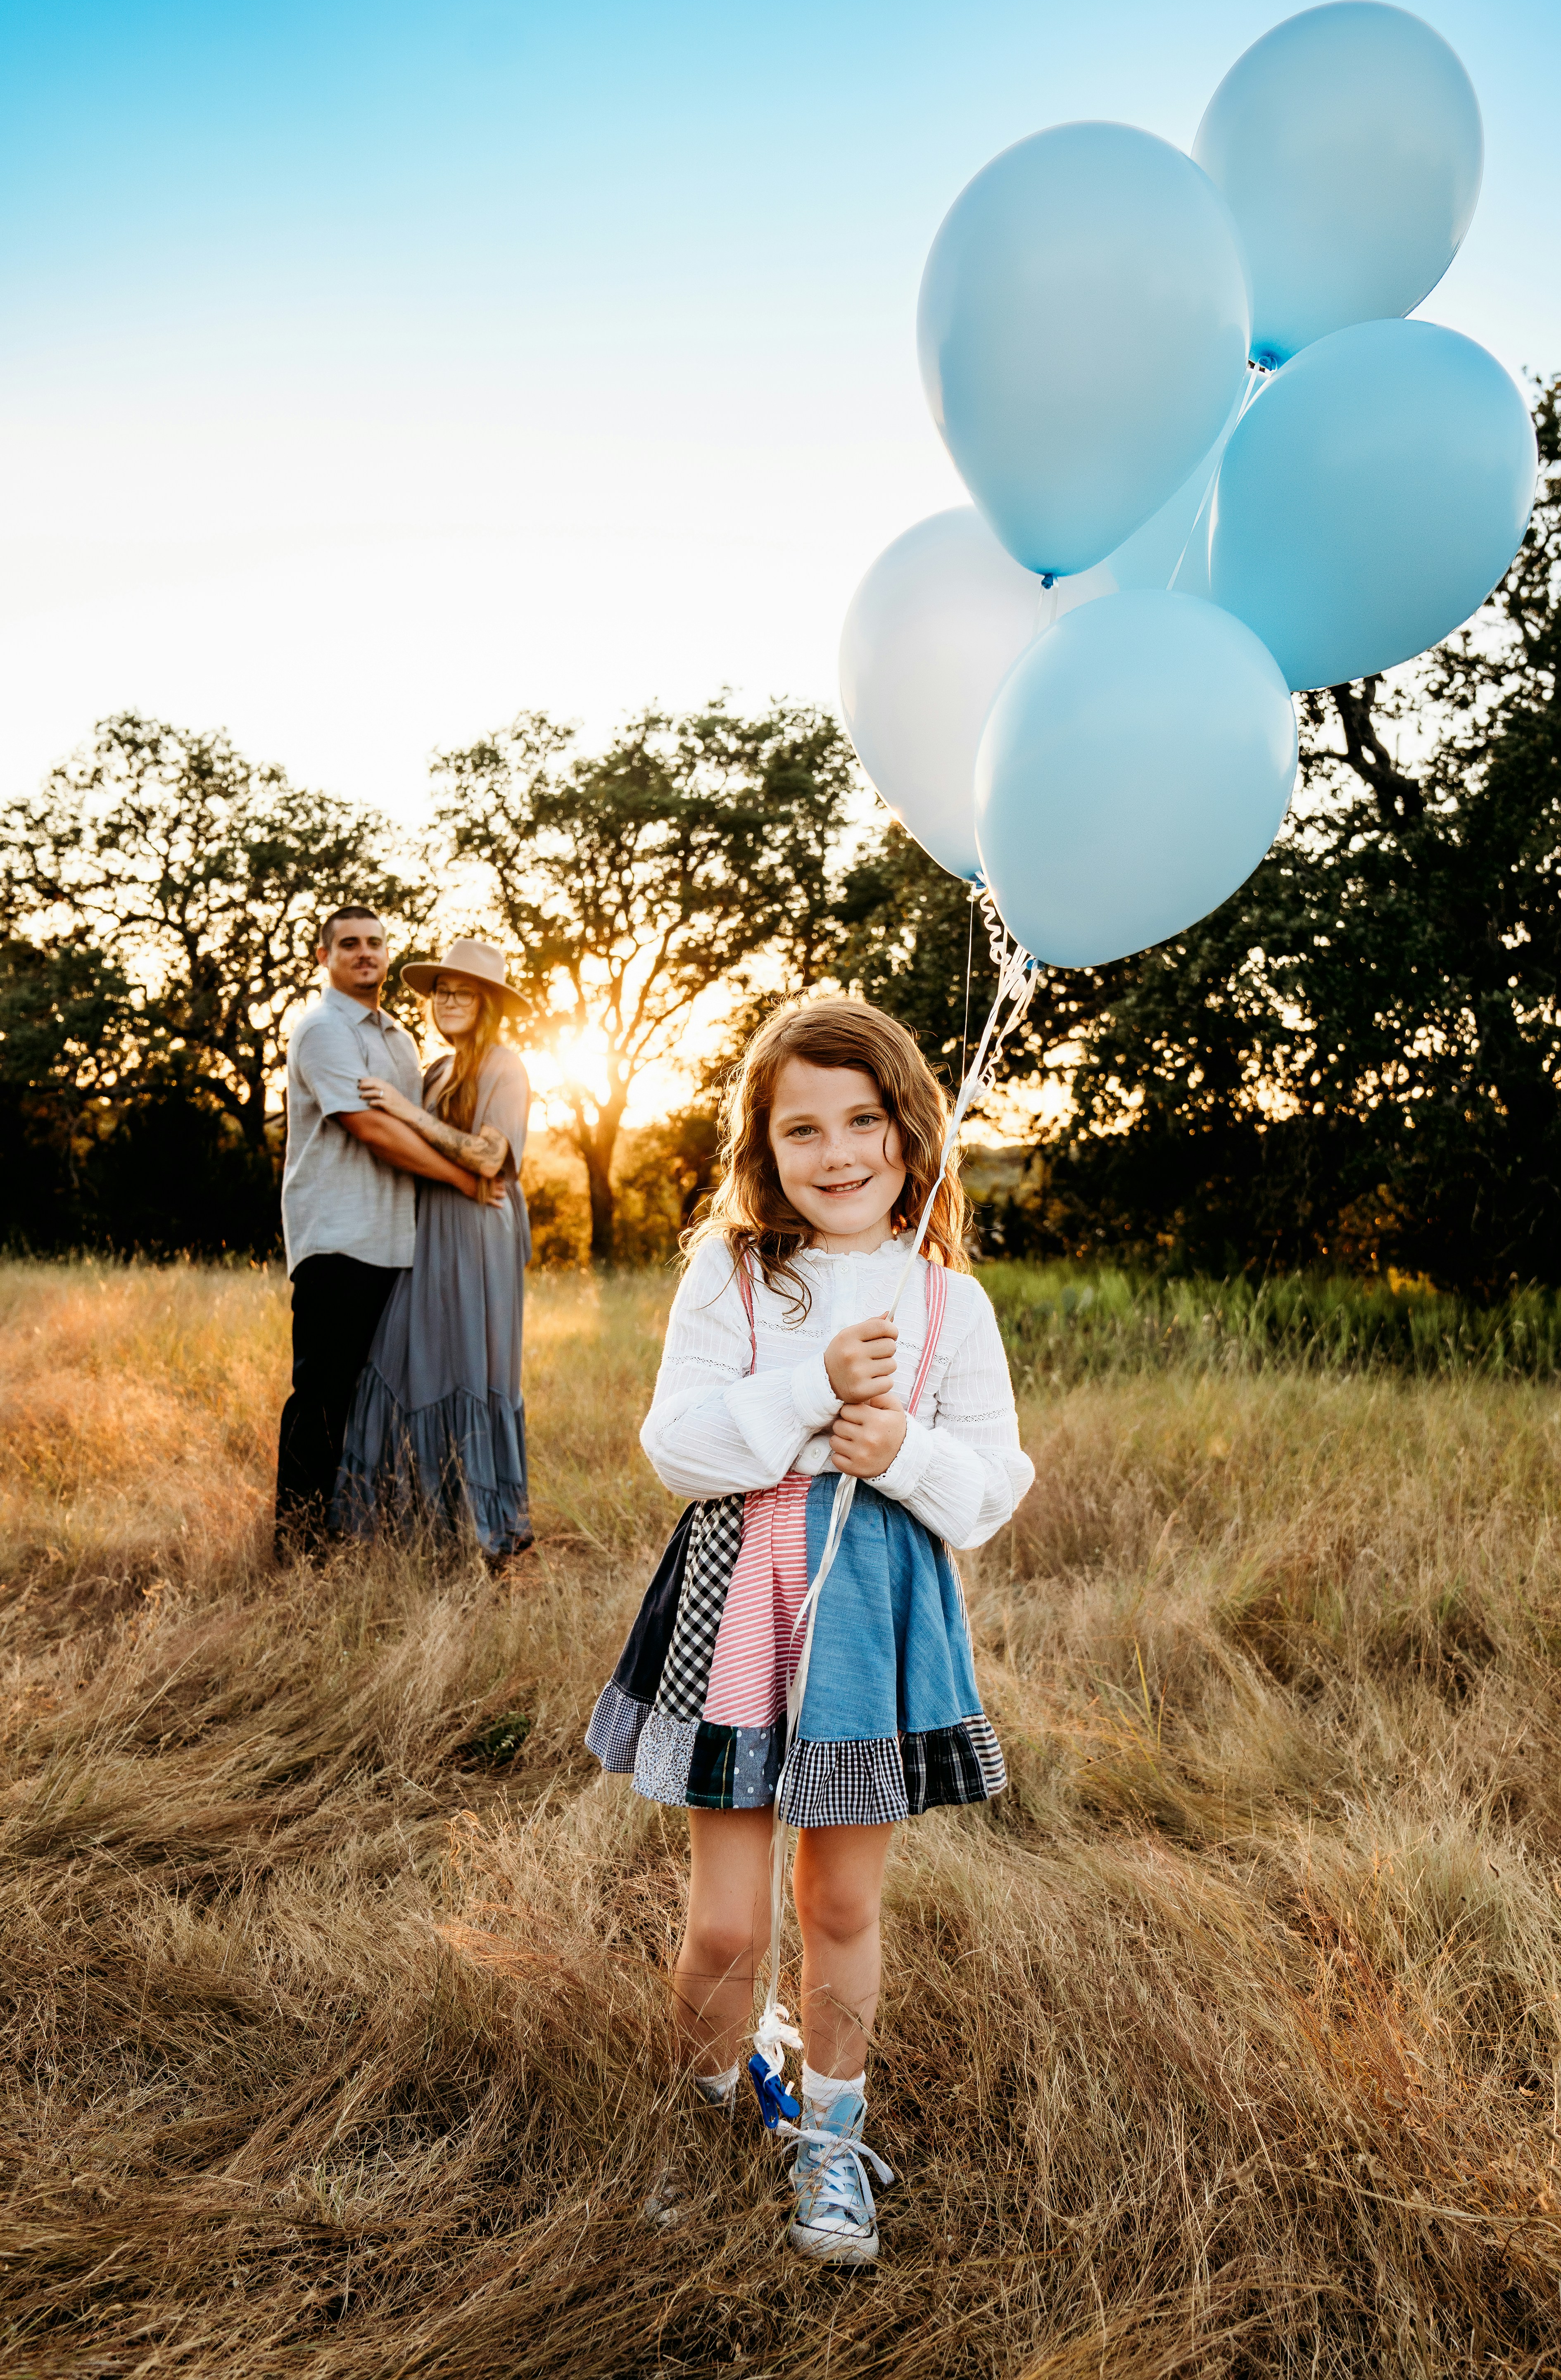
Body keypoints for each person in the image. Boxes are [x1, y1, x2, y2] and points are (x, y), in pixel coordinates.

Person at [585, 995, 1033, 2266]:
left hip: (867, 1621)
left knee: (839, 1903)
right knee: (728, 1924)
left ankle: (831, 2140)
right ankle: (703, 2118)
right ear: (764, 1147)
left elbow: (991, 1494)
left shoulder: (950, 1305)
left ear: (911, 1131)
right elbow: (678, 1451)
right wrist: (810, 1388)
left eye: (864, 1121)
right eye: (802, 1130)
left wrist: (902, 1452)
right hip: (737, 1600)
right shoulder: (734, 1276)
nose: (837, 1154)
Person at [276, 907, 493, 1561]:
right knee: (323, 1397)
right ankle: (299, 1548)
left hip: (400, 1245)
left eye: (374, 943)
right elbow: (371, 1129)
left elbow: (416, 1121)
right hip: (341, 1241)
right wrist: (463, 1179)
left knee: (378, 1401)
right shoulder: (323, 1031)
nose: (364, 953)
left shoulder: (399, 1038)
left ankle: (364, 1533)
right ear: (325, 958)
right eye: (349, 944)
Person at [333, 937, 535, 1572]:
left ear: (486, 1003)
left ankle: (485, 1537)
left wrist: (403, 1110)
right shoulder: (439, 1070)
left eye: (463, 992)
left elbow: (489, 1158)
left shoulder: (505, 1065)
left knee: (471, 1369)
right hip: (430, 1226)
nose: (448, 1001)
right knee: (402, 1360)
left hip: (480, 1228)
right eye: (442, 991)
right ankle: (421, 1530)